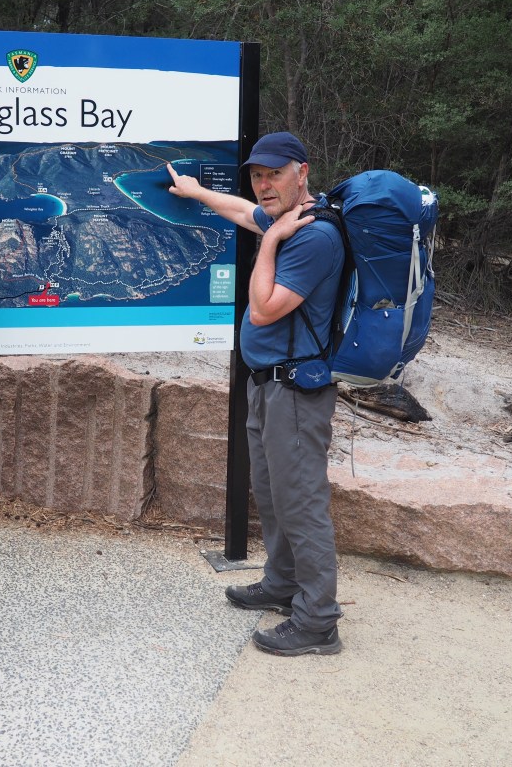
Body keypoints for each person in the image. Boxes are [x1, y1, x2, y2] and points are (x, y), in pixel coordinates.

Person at [166, 132, 345, 656]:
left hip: (296, 389)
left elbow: (265, 308)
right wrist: (198, 192)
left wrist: (269, 243)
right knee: (271, 493)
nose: (264, 185)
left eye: (275, 174)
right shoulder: (286, 217)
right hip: (269, 384)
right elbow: (245, 212)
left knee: (301, 502)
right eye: (258, 174)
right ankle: (282, 583)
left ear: (302, 172)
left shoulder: (311, 236)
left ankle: (318, 622)